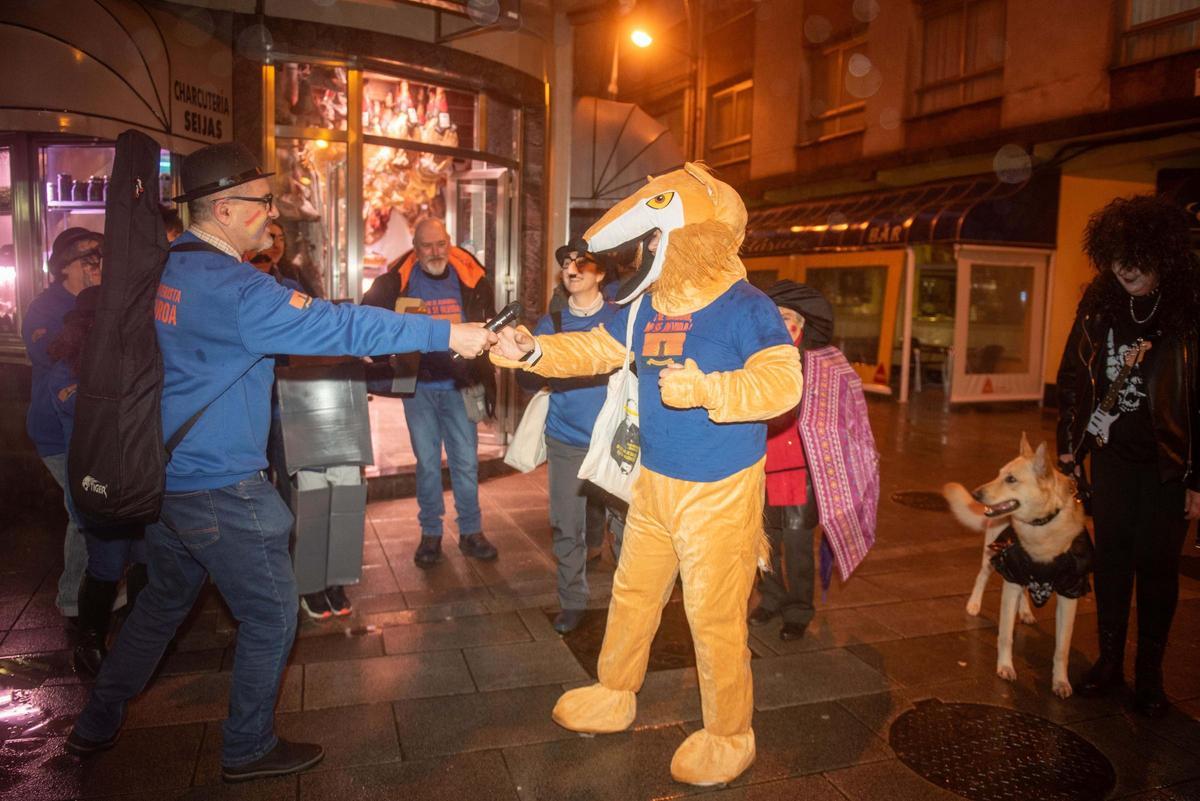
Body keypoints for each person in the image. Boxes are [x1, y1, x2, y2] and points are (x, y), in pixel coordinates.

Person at [66, 142, 496, 782]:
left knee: (160, 606)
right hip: (220, 488)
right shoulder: (238, 288)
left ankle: (94, 724)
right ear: (225, 207)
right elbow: (341, 326)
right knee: (269, 615)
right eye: (263, 201)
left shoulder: (165, 269)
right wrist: (448, 334)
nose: (271, 213)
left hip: (166, 479)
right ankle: (246, 747)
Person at [1057, 194, 1200, 719]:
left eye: (1138, 259)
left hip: (1169, 463)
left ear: (1163, 254)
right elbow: (1074, 374)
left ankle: (1150, 676)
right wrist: (1069, 447)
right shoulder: (1100, 301)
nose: (1127, 271)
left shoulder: (1190, 305)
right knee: (1112, 560)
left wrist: (1197, 479)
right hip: (1112, 457)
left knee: (1159, 567)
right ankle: (1110, 662)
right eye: (1118, 259)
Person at [362, 217, 499, 567]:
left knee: (465, 463)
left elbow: (491, 322)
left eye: (441, 244)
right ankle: (431, 535)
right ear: (416, 247)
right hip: (419, 388)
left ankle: (471, 532)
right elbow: (368, 319)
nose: (435, 252)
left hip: (460, 387)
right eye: (427, 245)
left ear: (449, 243)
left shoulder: (471, 279)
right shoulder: (398, 282)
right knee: (426, 465)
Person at [45, 286, 147, 677]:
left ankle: (137, 639)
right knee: (106, 563)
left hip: (135, 477)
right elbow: (89, 411)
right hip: (97, 483)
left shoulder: (127, 358)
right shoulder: (65, 371)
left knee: (144, 558)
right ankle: (89, 642)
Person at [518, 239, 619, 634]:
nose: (572, 270)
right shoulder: (552, 323)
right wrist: (525, 355)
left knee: (625, 527)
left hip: (614, 442)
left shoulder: (619, 318)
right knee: (566, 525)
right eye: (566, 264)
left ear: (601, 273)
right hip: (566, 442)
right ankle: (573, 600)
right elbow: (528, 382)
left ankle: (629, 605)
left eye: (582, 263)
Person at [22, 227, 103, 621]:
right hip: (57, 431)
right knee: (82, 512)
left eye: (99, 258)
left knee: (93, 509)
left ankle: (96, 586)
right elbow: (51, 357)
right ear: (64, 267)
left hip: (89, 427)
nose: (96, 266)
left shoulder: (97, 301)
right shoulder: (46, 308)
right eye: (88, 259)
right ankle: (72, 597)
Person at [747, 282, 833, 641]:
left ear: (803, 324)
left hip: (801, 474)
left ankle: (798, 608)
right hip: (760, 468)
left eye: (790, 318)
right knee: (763, 542)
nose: (784, 324)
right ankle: (771, 598)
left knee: (797, 548)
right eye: (778, 317)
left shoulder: (820, 367)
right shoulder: (755, 360)